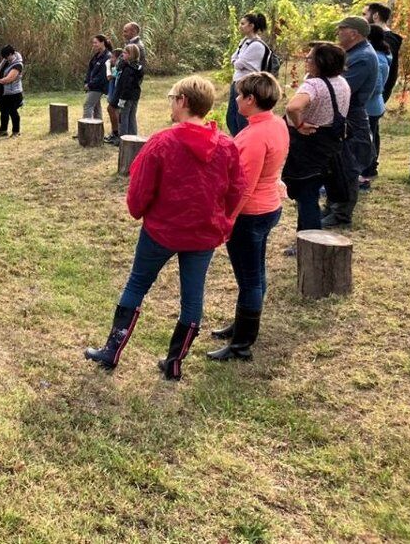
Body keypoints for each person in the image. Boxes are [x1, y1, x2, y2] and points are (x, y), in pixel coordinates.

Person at [85, 76, 245, 380]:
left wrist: (139, 211)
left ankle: (112, 351)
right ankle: (174, 363)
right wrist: (222, 219)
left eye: (172, 97)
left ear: (183, 101)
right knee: (192, 297)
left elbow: (140, 190)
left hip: (162, 231)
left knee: (136, 285)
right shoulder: (225, 145)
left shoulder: (163, 142)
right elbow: (235, 189)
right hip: (202, 234)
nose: (170, 103)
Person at [207, 72, 288, 362]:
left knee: (250, 278)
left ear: (251, 99)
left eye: (240, 95)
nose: (237, 99)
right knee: (254, 274)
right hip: (267, 208)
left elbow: (244, 186)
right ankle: (242, 324)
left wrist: (229, 219)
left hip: (251, 213)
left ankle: (242, 343)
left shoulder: (256, 135)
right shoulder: (275, 123)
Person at [281, 43, 351, 233]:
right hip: (330, 144)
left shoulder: (314, 84)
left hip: (308, 145)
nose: (306, 60)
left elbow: (293, 107)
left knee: (306, 195)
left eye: (310, 57)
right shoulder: (342, 82)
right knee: (311, 191)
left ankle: (309, 238)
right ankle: (305, 236)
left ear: (321, 62)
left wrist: (300, 124)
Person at [322, 17, 378, 229]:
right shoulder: (356, 53)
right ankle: (332, 206)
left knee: (348, 166)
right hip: (344, 115)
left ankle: (341, 214)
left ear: (354, 33)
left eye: (342, 29)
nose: (338, 32)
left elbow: (341, 87)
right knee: (336, 163)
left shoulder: (362, 57)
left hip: (352, 117)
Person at [226, 12, 270, 136]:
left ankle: (243, 141)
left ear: (251, 26)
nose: (240, 26)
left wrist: (237, 61)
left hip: (246, 85)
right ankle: (237, 141)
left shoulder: (257, 45)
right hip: (237, 82)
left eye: (243, 23)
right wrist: (237, 61)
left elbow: (238, 63)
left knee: (241, 117)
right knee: (231, 115)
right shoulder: (244, 41)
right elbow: (234, 58)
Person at [362, 25, 392, 187]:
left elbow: (376, 87)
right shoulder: (380, 56)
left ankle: (367, 172)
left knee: (367, 140)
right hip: (374, 105)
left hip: (370, 106)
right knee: (370, 137)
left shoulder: (377, 59)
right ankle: (368, 169)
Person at [364, 2, 403, 103]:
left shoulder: (387, 41)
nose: (362, 18)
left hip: (375, 97)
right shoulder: (385, 38)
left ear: (376, 16)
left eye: (364, 14)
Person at [0, 44, 24, 137]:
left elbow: (10, 78)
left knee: (13, 112)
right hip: (2, 92)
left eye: (7, 56)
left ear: (11, 54)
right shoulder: (5, 60)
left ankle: (16, 131)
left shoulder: (18, 64)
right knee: (3, 111)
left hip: (13, 93)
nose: (6, 58)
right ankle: (3, 130)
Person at [114, 43, 145, 138]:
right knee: (132, 116)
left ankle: (124, 138)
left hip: (126, 96)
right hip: (135, 95)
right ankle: (133, 136)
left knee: (124, 117)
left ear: (131, 54)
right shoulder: (137, 66)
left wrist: (122, 98)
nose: (123, 54)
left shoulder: (129, 69)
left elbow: (127, 85)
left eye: (125, 53)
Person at [83, 35, 110, 120]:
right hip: (92, 85)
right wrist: (86, 82)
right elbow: (90, 70)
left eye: (96, 43)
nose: (94, 45)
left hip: (98, 87)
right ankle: (97, 130)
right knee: (96, 107)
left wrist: (90, 85)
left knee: (88, 105)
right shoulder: (96, 56)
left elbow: (102, 76)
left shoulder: (107, 56)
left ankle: (86, 129)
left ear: (102, 43)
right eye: (93, 43)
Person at [104, 47, 123, 143]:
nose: (111, 60)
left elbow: (109, 76)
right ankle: (115, 132)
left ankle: (116, 133)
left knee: (111, 109)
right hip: (113, 92)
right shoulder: (116, 67)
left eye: (112, 57)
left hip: (118, 93)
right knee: (114, 111)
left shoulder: (118, 67)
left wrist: (107, 66)